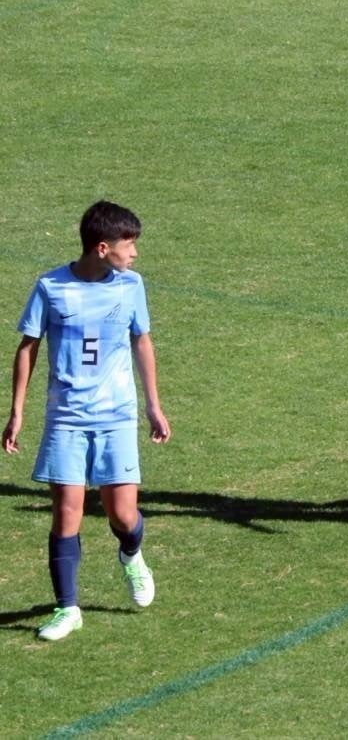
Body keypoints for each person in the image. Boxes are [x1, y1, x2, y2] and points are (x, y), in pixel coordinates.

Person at [3, 201, 171, 641]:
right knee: (67, 515)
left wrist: (153, 405)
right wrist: (17, 411)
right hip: (66, 419)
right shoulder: (51, 287)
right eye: (128, 245)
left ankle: (131, 554)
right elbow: (28, 347)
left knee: (123, 514)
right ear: (102, 248)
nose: (134, 253)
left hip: (116, 417)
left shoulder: (131, 286)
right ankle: (68, 608)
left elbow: (142, 342)